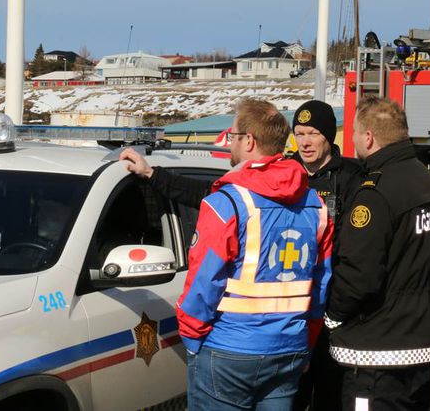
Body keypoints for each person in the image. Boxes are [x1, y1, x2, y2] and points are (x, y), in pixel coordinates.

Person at [125, 99, 334, 410]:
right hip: (289, 348)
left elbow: (204, 281)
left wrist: (194, 339)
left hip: (230, 350)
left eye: (233, 135)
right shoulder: (316, 206)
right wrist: (306, 341)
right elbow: (320, 285)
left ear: (249, 141)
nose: (230, 141)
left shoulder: (228, 203)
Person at [324, 97, 430, 411]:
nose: (351, 140)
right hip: (423, 341)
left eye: (353, 132)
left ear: (369, 137)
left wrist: (332, 315)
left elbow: (359, 273)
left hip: (378, 351)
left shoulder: (376, 192)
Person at [290, 100, 363, 411]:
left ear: (329, 137)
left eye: (313, 133)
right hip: (293, 310)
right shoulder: (285, 172)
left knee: (332, 396)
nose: (305, 142)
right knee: (292, 397)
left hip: (335, 311)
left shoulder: (353, 176)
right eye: (299, 133)